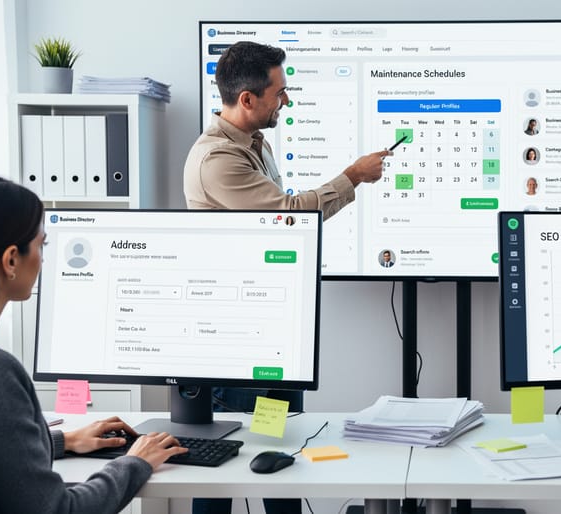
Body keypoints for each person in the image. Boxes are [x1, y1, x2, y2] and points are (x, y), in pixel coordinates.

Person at [183, 41, 388, 514]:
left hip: (270, 335)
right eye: (280, 92)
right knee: (223, 465)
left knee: (278, 451)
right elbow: (289, 215)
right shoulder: (218, 160)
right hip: (237, 345)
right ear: (248, 99)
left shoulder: (256, 143)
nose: (287, 101)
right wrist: (352, 176)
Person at [0, 176, 188, 514]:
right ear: (10, 260)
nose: (44, 260)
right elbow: (58, 510)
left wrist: (64, 441)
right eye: (41, 246)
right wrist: (135, 462)